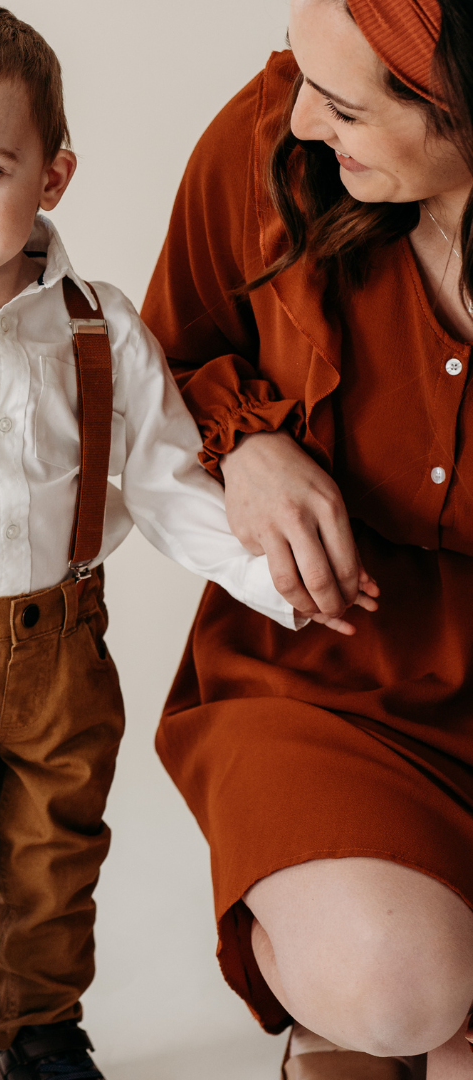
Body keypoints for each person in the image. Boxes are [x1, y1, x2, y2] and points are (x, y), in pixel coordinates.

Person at [0, 5, 371, 1078]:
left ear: (54, 175)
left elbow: (173, 484)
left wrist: (275, 580)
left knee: (57, 859)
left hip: (65, 648)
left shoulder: (101, 327)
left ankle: (40, 1031)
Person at [141, 0, 473, 1076]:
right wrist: (243, 445)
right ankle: (357, 1014)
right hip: (329, 672)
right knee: (395, 986)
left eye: (346, 107)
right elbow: (154, 362)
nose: (301, 121)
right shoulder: (271, 140)